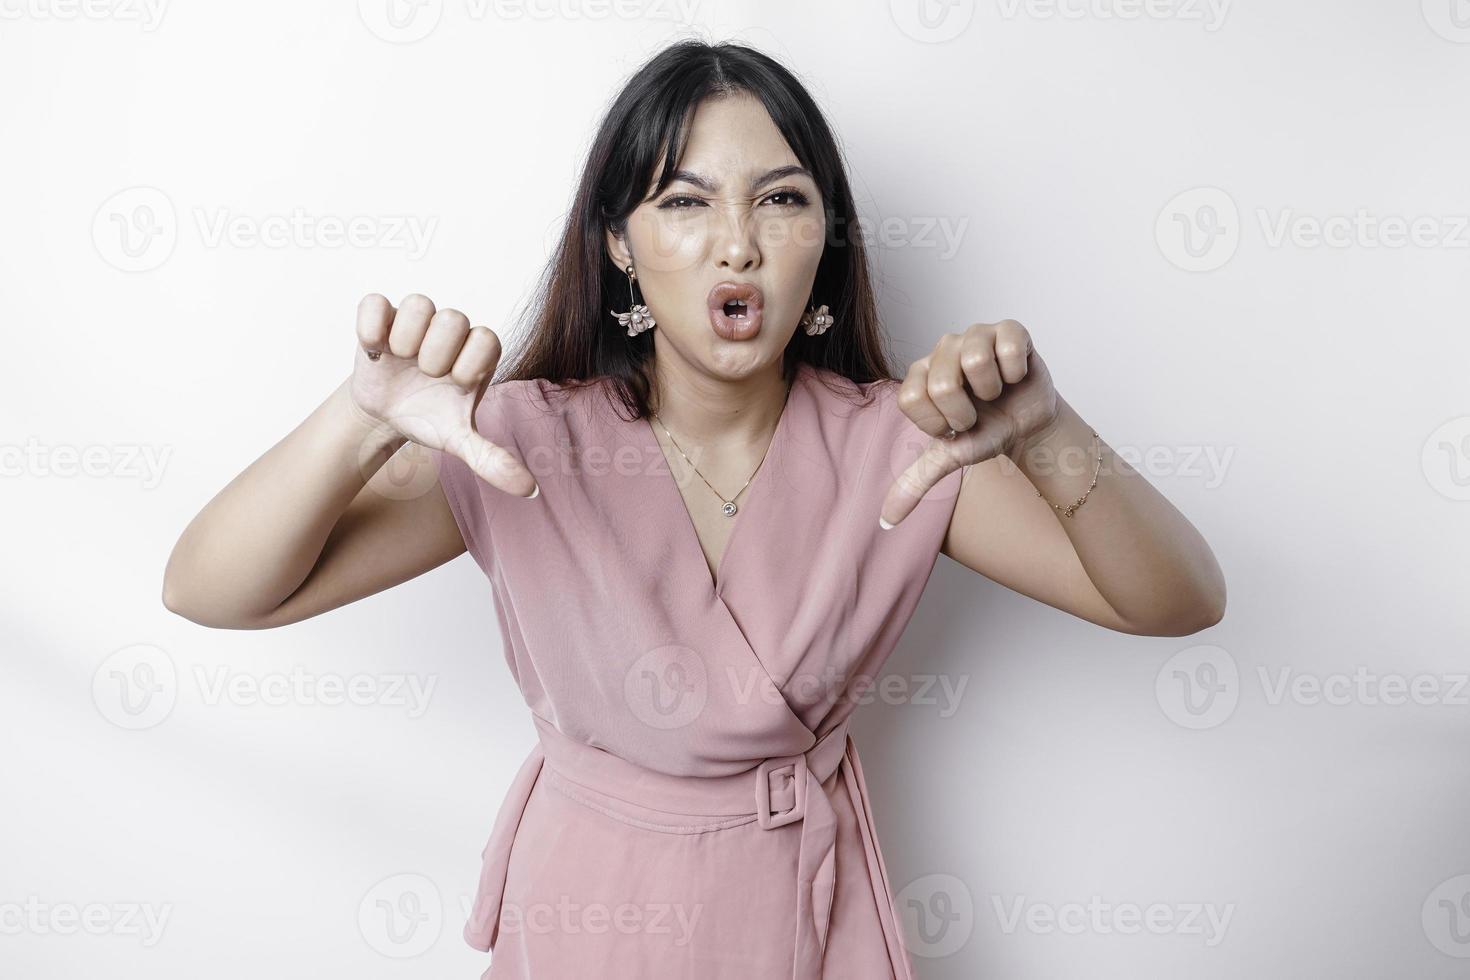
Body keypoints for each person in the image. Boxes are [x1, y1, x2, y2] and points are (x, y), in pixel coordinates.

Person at [162, 38, 1224, 980]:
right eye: (684, 199)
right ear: (618, 242)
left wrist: (1048, 428)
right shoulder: (518, 439)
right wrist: (359, 417)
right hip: (586, 917)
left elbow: (1177, 600)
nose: (738, 242)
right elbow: (211, 590)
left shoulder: (901, 446)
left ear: (824, 239)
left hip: (798, 917)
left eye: (782, 197)